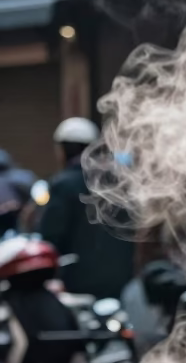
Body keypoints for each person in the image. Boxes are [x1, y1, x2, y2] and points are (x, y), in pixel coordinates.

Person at [36, 117, 135, 300]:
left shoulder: (64, 184)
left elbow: (50, 235)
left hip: (76, 284)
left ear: (63, 150)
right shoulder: (119, 182)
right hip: (121, 280)